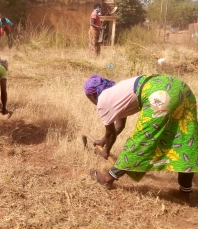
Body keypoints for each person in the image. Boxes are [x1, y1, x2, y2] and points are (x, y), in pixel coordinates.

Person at [84, 74, 198, 202]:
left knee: (143, 140)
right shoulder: (117, 91)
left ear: (92, 95)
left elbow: (111, 134)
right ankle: (185, 193)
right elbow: (120, 126)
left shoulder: (102, 101)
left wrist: (106, 151)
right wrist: (104, 141)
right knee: (184, 139)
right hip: (180, 87)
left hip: (159, 92)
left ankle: (108, 179)